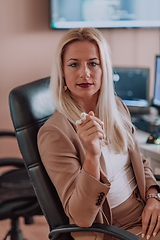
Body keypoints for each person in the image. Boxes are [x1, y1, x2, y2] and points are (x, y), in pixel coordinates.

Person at [38, 27, 160, 240]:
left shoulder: (116, 106)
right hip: (112, 228)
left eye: (93, 63)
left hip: (145, 208)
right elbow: (81, 217)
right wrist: (92, 155)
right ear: (62, 72)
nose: (85, 73)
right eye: (74, 64)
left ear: (104, 69)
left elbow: (139, 161)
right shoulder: (54, 133)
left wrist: (153, 196)